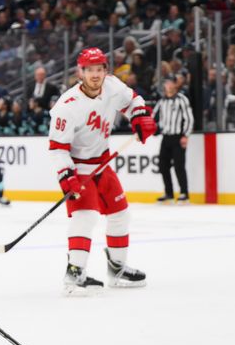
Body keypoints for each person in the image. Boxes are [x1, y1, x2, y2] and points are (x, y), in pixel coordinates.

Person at [47, 47, 157, 294]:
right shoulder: (67, 106)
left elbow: (132, 100)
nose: (95, 75)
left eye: (99, 69)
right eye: (89, 70)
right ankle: (74, 273)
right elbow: (57, 148)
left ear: (106, 71)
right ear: (80, 72)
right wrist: (67, 177)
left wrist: (140, 117)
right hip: (79, 168)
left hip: (103, 165)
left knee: (120, 213)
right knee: (85, 217)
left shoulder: (112, 86)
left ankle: (117, 268)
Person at [153, 75, 194, 203]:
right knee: (163, 166)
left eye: (171, 83)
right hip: (166, 137)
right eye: (167, 83)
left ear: (176, 85)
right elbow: (153, 117)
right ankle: (169, 193)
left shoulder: (182, 100)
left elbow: (189, 118)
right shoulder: (161, 101)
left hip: (178, 137)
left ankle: (184, 193)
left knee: (179, 166)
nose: (169, 85)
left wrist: (185, 135)